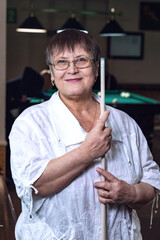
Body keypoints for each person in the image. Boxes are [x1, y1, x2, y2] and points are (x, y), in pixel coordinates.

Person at [9, 29, 160, 240]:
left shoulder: (125, 123)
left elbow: (151, 182)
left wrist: (130, 193)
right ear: (51, 74)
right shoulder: (30, 122)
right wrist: (86, 153)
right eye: (61, 62)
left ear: (96, 69)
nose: (72, 69)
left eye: (81, 60)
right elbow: (34, 186)